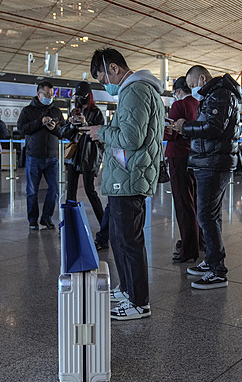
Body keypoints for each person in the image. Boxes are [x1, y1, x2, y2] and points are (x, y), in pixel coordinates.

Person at [81, 48, 164, 319]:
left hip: (130, 177)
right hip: (128, 176)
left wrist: (100, 132)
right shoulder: (140, 90)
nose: (105, 83)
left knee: (129, 240)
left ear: (114, 68)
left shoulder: (134, 90)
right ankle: (128, 289)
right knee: (120, 237)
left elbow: (130, 138)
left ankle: (140, 302)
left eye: (103, 76)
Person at [173, 65, 241, 290]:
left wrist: (186, 126)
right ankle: (212, 260)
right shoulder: (216, 93)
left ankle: (217, 271)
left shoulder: (221, 94)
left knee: (205, 215)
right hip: (210, 161)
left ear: (202, 78)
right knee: (211, 215)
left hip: (213, 162)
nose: (192, 90)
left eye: (192, 85)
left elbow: (213, 127)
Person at [17, 81, 65, 230]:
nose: (50, 97)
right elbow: (21, 129)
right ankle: (32, 220)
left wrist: (54, 128)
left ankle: (46, 218)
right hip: (33, 157)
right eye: (47, 94)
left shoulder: (56, 111)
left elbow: (62, 132)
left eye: (52, 94)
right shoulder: (27, 111)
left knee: (54, 190)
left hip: (52, 157)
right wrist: (40, 122)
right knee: (32, 191)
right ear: (39, 94)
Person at [164, 77, 200, 263]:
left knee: (182, 202)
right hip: (195, 156)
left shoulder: (179, 105)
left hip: (178, 156)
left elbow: (170, 133)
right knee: (194, 200)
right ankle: (197, 240)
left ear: (177, 91)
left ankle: (189, 248)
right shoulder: (198, 103)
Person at [60, 81, 105, 231]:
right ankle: (69, 227)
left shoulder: (96, 112)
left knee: (90, 190)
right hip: (74, 155)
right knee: (70, 191)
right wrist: (72, 124)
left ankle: (105, 226)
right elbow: (64, 133)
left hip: (89, 155)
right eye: (77, 97)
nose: (79, 99)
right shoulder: (74, 111)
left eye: (82, 96)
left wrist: (86, 123)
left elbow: (100, 135)